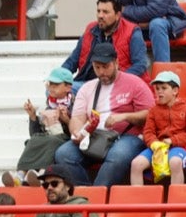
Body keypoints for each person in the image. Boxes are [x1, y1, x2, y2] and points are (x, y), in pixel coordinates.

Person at [53, 42, 153, 187]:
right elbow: (77, 118)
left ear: (116, 63)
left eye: (105, 67)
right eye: (97, 67)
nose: (101, 72)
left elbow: (150, 114)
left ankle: (95, 197)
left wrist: (124, 116)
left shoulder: (135, 83)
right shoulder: (87, 87)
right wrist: (77, 133)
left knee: (118, 155)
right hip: (95, 136)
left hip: (127, 136)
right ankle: (86, 195)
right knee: (63, 154)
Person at [127, 71, 186, 186]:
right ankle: (139, 201)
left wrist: (173, 140)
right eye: (157, 88)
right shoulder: (153, 111)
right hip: (157, 148)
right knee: (136, 164)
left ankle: (176, 201)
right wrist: (154, 143)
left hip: (179, 148)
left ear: (175, 91)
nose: (159, 92)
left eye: (164, 88)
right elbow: (148, 132)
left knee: (175, 162)